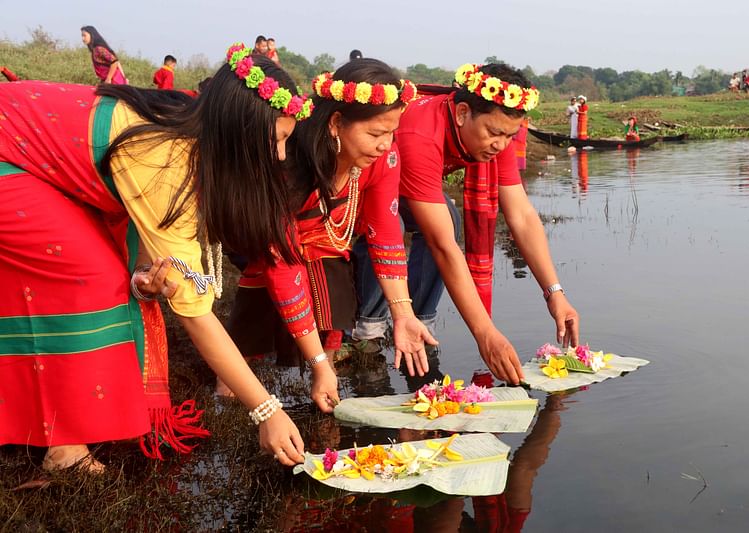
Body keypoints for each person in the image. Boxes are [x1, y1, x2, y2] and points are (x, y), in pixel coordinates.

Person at [0, 42, 316, 471]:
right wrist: (267, 411)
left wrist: (140, 278)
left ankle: (57, 427)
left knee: (105, 273)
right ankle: (65, 446)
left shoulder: (191, 125)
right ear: (237, 131)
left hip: (33, 160)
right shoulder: (166, 158)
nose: (279, 155)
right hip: (10, 158)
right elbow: (194, 311)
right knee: (88, 274)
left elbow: (149, 245)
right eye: (276, 140)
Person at [352, 63, 580, 385]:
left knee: (448, 216)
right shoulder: (420, 134)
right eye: (494, 133)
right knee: (400, 225)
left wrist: (554, 293)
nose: (501, 145)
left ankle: (422, 327)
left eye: (509, 136)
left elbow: (522, 215)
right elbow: (442, 245)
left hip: (401, 182)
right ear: (461, 113)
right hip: (359, 189)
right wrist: (485, 334)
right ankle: (369, 333)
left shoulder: (494, 134)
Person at [225, 59, 435, 390]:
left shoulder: (383, 158)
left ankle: (324, 383)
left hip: (326, 239)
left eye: (392, 132)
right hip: (260, 235)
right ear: (336, 123)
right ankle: (231, 392)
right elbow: (282, 264)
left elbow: (386, 235)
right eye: (376, 133)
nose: (385, 144)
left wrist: (403, 314)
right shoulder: (288, 158)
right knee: (256, 320)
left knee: (333, 303)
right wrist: (318, 362)